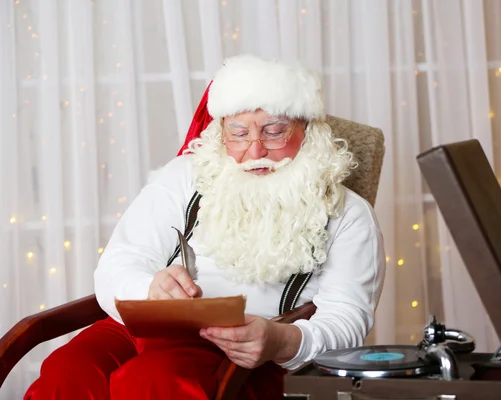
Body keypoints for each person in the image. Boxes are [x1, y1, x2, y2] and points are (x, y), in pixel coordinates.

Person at [24, 54, 386, 399]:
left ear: (308, 131)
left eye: (274, 132)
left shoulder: (348, 215)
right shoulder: (187, 175)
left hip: (240, 355)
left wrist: (281, 341)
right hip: (141, 327)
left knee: (152, 381)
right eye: (239, 133)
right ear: (222, 132)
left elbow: (347, 320)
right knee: (66, 370)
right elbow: (121, 260)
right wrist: (149, 289)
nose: (254, 150)